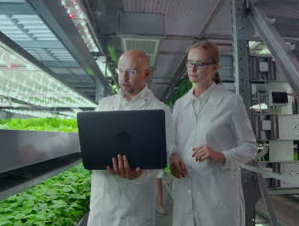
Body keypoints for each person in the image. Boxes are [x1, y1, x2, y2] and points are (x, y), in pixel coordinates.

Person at [169, 41, 258, 226]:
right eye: (189, 62)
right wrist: (173, 156)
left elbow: (251, 147)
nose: (193, 68)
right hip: (186, 192)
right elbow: (174, 142)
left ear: (215, 67)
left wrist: (221, 155)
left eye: (200, 64)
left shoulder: (231, 102)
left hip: (217, 197)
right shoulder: (180, 105)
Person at [87, 50, 174, 226]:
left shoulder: (160, 111)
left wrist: (138, 175)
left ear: (146, 74)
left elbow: (161, 156)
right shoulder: (105, 105)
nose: (124, 77)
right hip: (102, 206)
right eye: (121, 71)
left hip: (135, 208)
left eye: (132, 71)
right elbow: (92, 145)